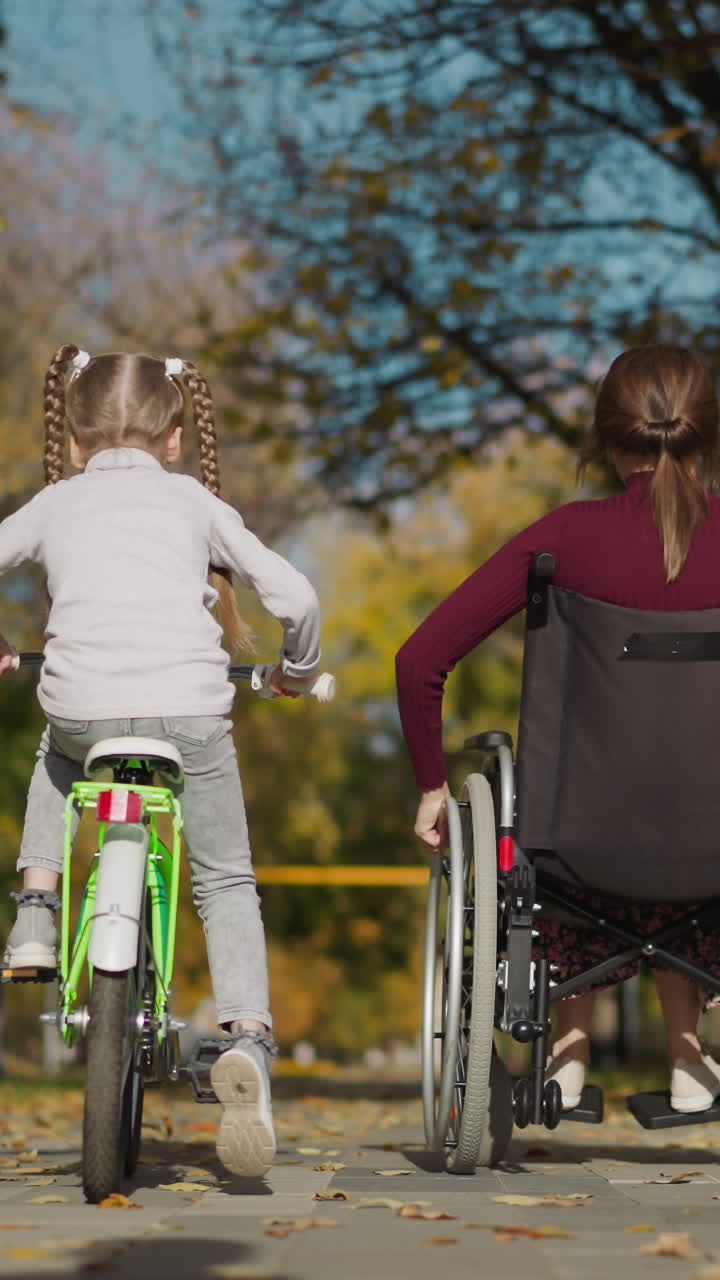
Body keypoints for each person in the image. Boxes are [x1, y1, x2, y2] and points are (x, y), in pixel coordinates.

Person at [0, 344, 322, 1177]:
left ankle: (35, 911)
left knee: (56, 750)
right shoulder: (193, 502)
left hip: (82, 716)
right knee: (225, 881)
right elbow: (297, 597)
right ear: (175, 438)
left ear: (75, 441)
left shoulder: (55, 502)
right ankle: (246, 1036)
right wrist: (293, 667)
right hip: (190, 719)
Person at [396, 344, 720, 1114]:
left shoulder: (565, 539)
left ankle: (566, 1054)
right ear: (706, 434)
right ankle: (688, 1057)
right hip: (713, 845)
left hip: (581, 842)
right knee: (685, 807)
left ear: (605, 438)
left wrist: (433, 786)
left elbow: (419, 660)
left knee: (585, 824)